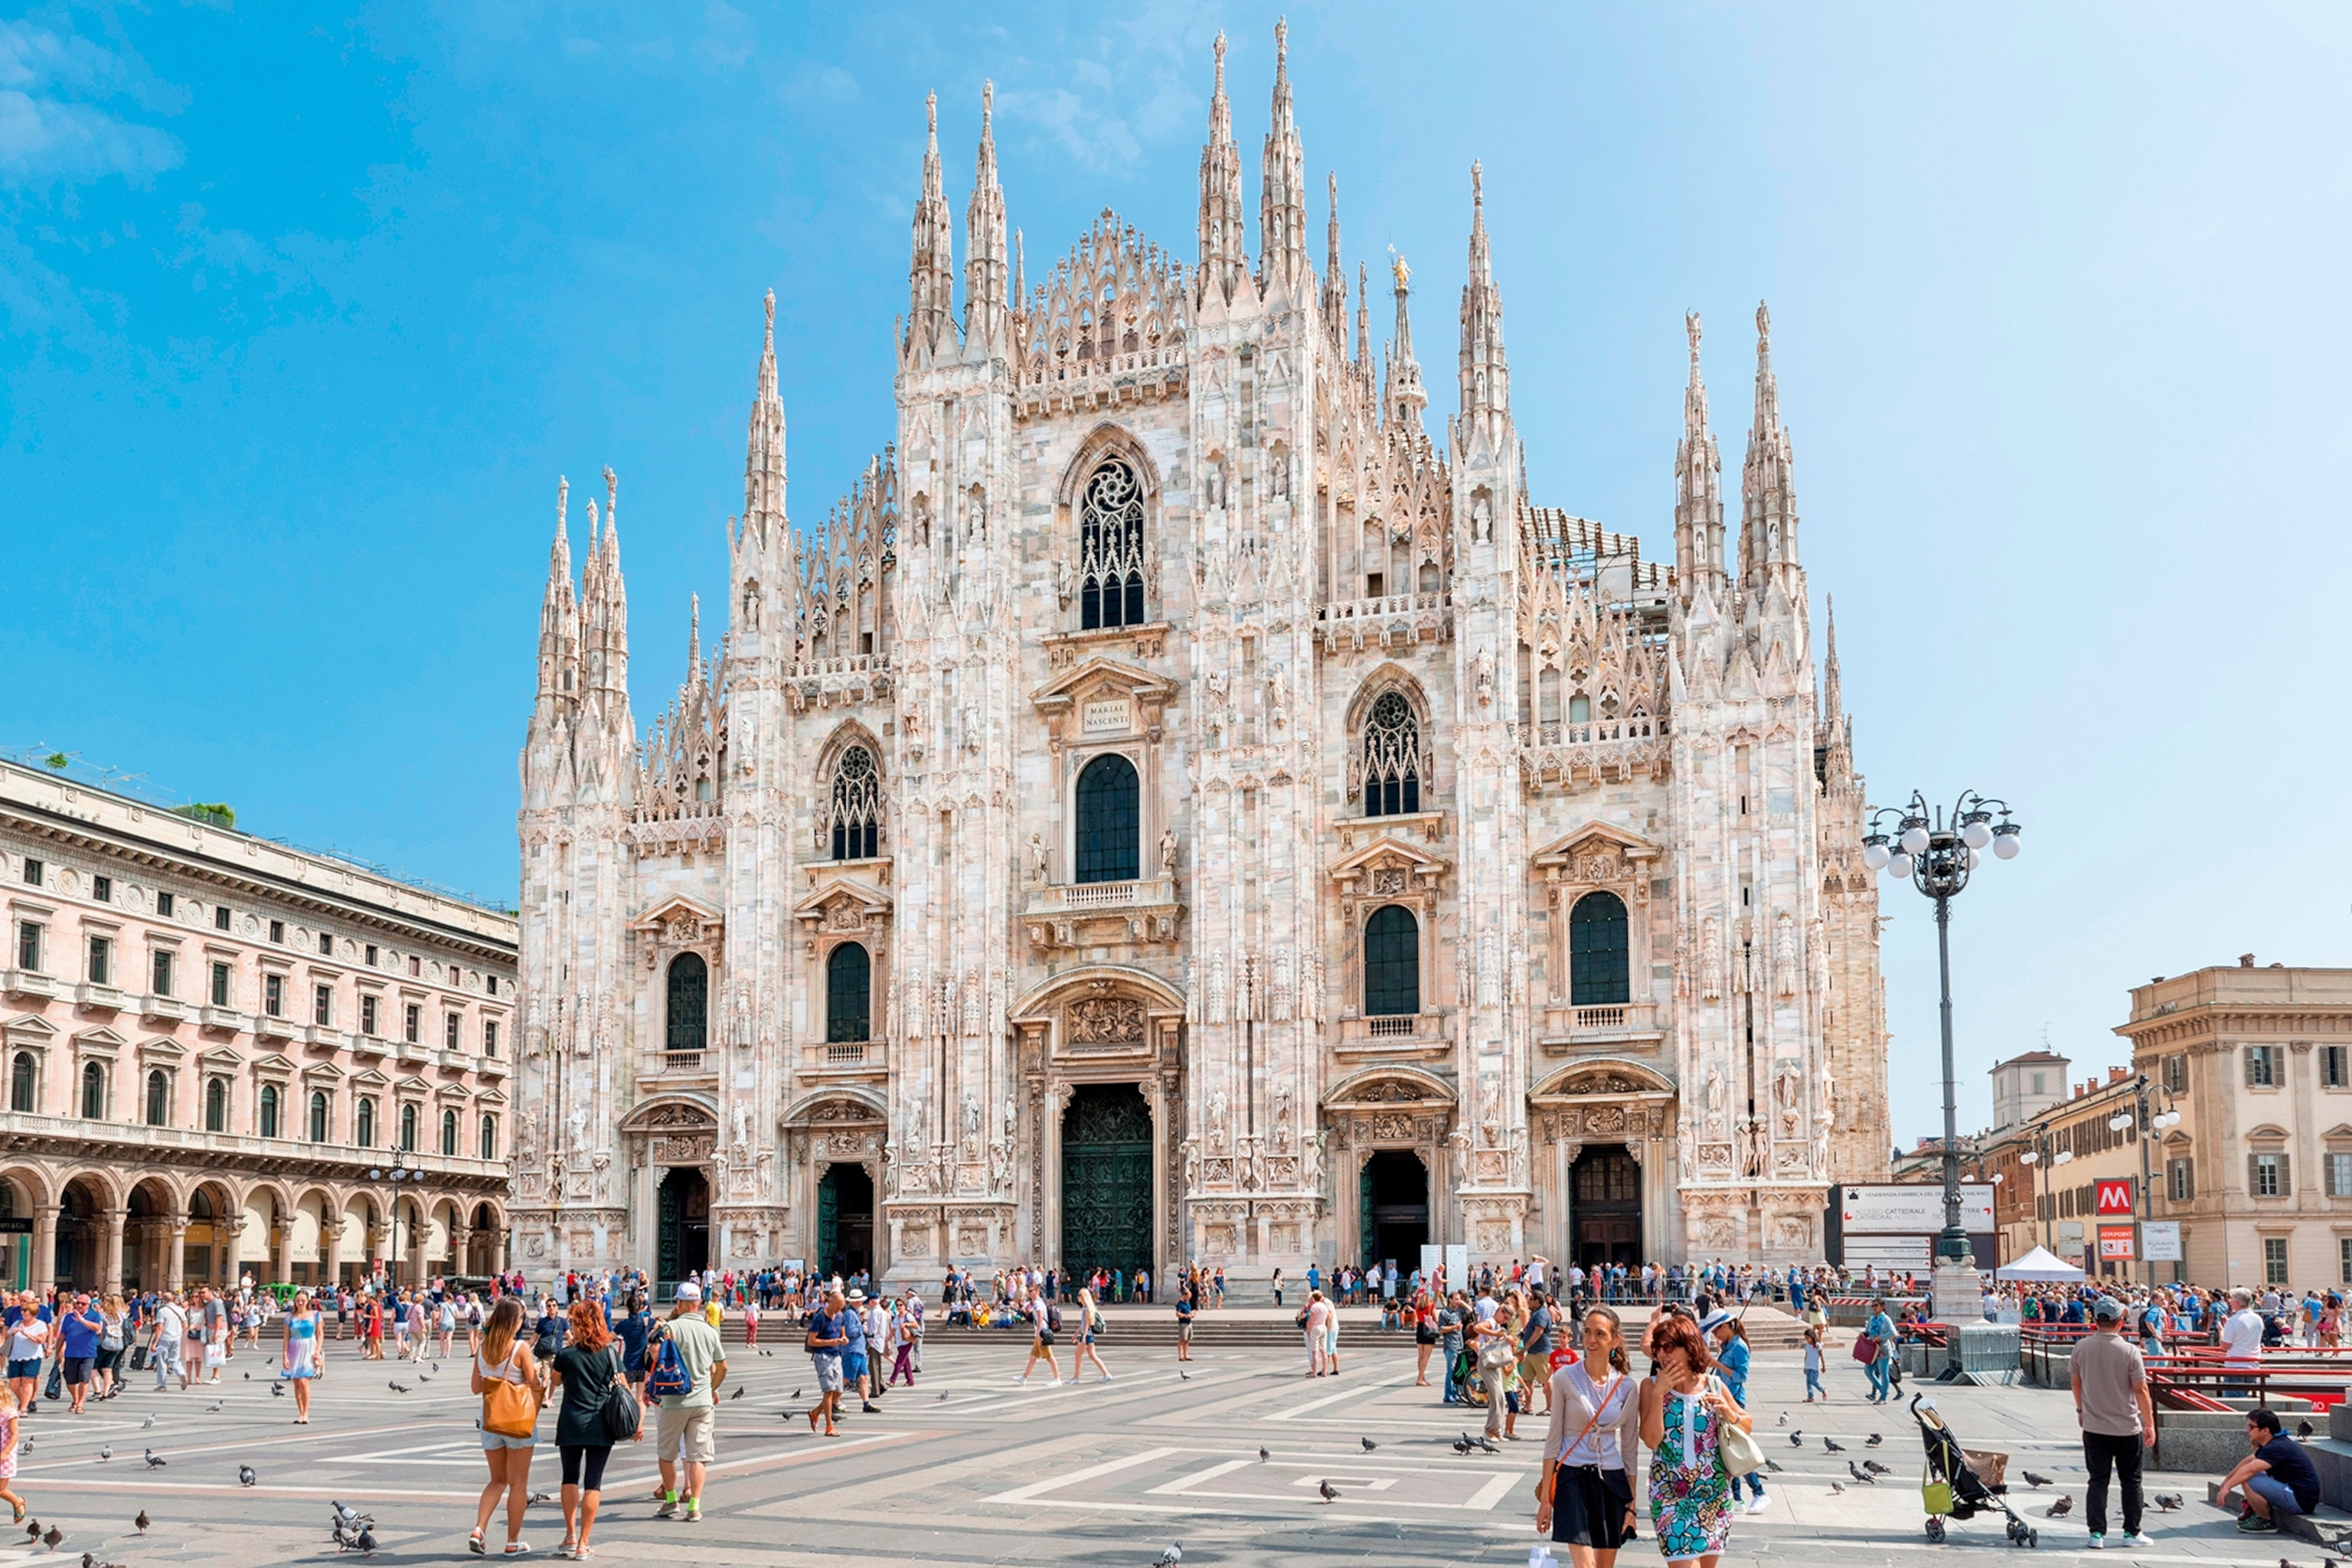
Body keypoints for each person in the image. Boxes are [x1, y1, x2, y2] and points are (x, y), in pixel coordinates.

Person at [1638, 1310, 1746, 1567]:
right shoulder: (1649, 1386)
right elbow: (1651, 1440)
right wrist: (1658, 1396)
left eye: (1669, 1347)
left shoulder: (1714, 1385)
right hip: (1670, 1492)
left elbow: (1747, 1424)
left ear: (1689, 1349)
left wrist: (1729, 1412)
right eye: (1658, 1348)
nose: (1662, 1354)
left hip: (1714, 1491)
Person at [1537, 1304, 1639, 1567]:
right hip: (1572, 1475)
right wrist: (1546, 1501)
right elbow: (1553, 1439)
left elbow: (1630, 1450)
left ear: (1615, 1339)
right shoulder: (1564, 1378)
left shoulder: (1627, 1387)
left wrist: (1632, 1506)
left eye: (1600, 1334)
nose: (1592, 1340)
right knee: (1585, 1566)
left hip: (1611, 1479)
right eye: (1587, 1332)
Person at [550, 1298, 633, 1559]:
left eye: (574, 1323)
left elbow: (555, 1381)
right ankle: (584, 1543)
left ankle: (569, 1534)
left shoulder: (566, 1355)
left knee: (569, 1477)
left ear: (585, 1326)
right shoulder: (610, 1353)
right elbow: (625, 1387)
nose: (571, 1327)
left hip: (571, 1422)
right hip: (601, 1424)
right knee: (593, 1483)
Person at [2069, 1296, 2154, 1550]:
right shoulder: (2129, 1351)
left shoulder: (2082, 1347)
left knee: (2097, 1480)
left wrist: (2081, 1409)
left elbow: (2076, 1382)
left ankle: (2096, 1534)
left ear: (2095, 1321)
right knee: (2131, 1481)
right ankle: (2131, 1533)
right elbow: (2141, 1390)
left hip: (2094, 1426)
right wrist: (2149, 1424)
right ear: (2120, 1322)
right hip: (2127, 1427)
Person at [469, 1295, 542, 1557]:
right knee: (518, 1483)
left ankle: (479, 1528)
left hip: (490, 1421)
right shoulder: (519, 1348)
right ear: (514, 1321)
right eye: (522, 1318)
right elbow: (534, 1384)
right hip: (518, 1422)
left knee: (497, 1480)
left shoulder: (484, 1347)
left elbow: (476, 1388)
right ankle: (512, 1541)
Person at [649, 1281, 725, 1523]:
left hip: (673, 1399)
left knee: (666, 1454)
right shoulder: (710, 1330)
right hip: (703, 1401)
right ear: (699, 1303)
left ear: (679, 1303)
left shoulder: (670, 1328)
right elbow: (723, 1367)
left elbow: (654, 1354)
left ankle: (671, 1500)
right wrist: (712, 1389)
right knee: (697, 1456)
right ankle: (695, 1506)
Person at [2219, 1406, 2321, 1534]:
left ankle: (2265, 1521)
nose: (2248, 1430)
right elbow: (2248, 1462)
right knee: (2250, 1475)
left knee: (2249, 1479)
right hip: (2296, 1494)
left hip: (2300, 1501)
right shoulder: (2274, 1443)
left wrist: (2227, 1488)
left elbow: (2249, 1470)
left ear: (2265, 1431)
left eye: (2251, 1427)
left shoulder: (2277, 1447)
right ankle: (2254, 1511)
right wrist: (2227, 1481)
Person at [1701, 1312, 1766, 1514]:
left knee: (1736, 1448)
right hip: (1723, 1398)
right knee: (1728, 1450)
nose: (1716, 1336)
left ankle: (1759, 1492)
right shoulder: (1729, 1345)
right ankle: (1737, 1497)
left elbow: (1741, 1376)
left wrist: (1717, 1364)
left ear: (1726, 1327)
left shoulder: (1739, 1347)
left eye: (1717, 1331)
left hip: (1734, 1401)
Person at [805, 1288, 849, 1437]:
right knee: (829, 1391)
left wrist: (843, 1339)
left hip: (836, 1356)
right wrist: (831, 1342)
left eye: (842, 1307)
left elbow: (842, 1333)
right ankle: (829, 1426)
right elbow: (812, 1340)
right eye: (837, 1306)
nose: (839, 1309)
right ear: (830, 1302)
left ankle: (815, 1412)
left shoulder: (841, 1316)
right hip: (823, 1356)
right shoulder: (819, 1318)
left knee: (838, 1391)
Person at [280, 1289, 322, 1425]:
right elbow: (286, 1338)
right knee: (297, 1382)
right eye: (298, 1300)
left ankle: (306, 1413)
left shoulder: (315, 1315)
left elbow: (320, 1335)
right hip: (295, 1348)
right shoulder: (290, 1317)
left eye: (303, 1300)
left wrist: (317, 1350)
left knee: (304, 1381)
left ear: (308, 1301)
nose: (300, 1303)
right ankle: (301, 1413)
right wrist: (285, 1356)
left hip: (309, 1347)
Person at [56, 1293, 100, 1416]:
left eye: (83, 1304)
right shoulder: (68, 1317)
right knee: (70, 1380)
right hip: (71, 1353)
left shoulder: (94, 1315)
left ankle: (80, 1403)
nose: (80, 1305)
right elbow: (62, 1335)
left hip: (88, 1353)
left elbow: (97, 1328)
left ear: (89, 1305)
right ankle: (75, 1399)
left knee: (84, 1379)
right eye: (78, 1303)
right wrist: (57, 1351)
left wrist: (82, 1320)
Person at [2219, 1288, 2265, 1395]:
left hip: (2236, 1364)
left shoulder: (2234, 1320)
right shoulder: (2257, 1318)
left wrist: (2222, 1331)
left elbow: (2225, 1346)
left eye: (2231, 1300)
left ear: (2237, 1302)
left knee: (2234, 1400)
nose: (2230, 1303)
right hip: (2253, 1363)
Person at [1018, 1289, 1065, 1386]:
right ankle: (1024, 1378)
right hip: (1040, 1332)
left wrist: (1039, 1333)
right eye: (1029, 1291)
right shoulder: (1039, 1303)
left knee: (1050, 1357)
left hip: (1042, 1332)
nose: (1029, 1293)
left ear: (1037, 1292)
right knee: (1033, 1357)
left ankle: (1057, 1379)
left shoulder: (1037, 1304)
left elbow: (1040, 1318)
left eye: (1031, 1291)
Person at [1072, 1287, 1112, 1383]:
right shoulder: (1088, 1308)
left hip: (1087, 1335)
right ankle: (1106, 1374)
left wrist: (1084, 1336)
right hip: (1089, 1335)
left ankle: (1076, 1378)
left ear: (1084, 1297)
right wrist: (1076, 1334)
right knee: (1093, 1356)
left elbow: (1087, 1324)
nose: (1078, 1297)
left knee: (1078, 1355)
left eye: (1079, 1295)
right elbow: (1083, 1324)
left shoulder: (1087, 1309)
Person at [1862, 1300, 1896, 1404]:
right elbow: (1868, 1331)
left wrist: (1880, 1338)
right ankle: (1883, 1390)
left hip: (1883, 1350)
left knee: (1884, 1373)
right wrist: (1864, 1334)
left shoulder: (1886, 1319)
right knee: (1868, 1370)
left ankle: (1883, 1397)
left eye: (1876, 1305)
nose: (1874, 1308)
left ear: (1882, 1307)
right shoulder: (1872, 1319)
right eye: (1873, 1306)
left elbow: (1893, 1332)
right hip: (1873, 1350)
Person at [1801, 1326, 1826, 1403]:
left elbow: (1822, 1356)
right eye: (1806, 1338)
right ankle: (1810, 1396)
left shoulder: (1818, 1346)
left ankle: (1823, 1390)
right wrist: (1805, 1367)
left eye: (1808, 1338)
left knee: (1813, 1381)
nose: (1807, 1340)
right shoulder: (1807, 1346)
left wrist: (1824, 1366)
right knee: (1808, 1382)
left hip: (1815, 1367)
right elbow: (1806, 1356)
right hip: (1808, 1366)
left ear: (1812, 1337)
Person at [1174, 1279, 1194, 1363]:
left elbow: (1191, 1310)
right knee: (1182, 1340)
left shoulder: (1188, 1302)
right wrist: (1185, 1315)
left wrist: (1192, 1314)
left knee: (1187, 1340)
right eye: (1188, 1297)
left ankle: (1186, 1355)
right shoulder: (1180, 1304)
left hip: (1189, 1323)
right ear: (1185, 1295)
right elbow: (1177, 1314)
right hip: (1183, 1324)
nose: (1189, 1298)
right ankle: (1180, 1355)